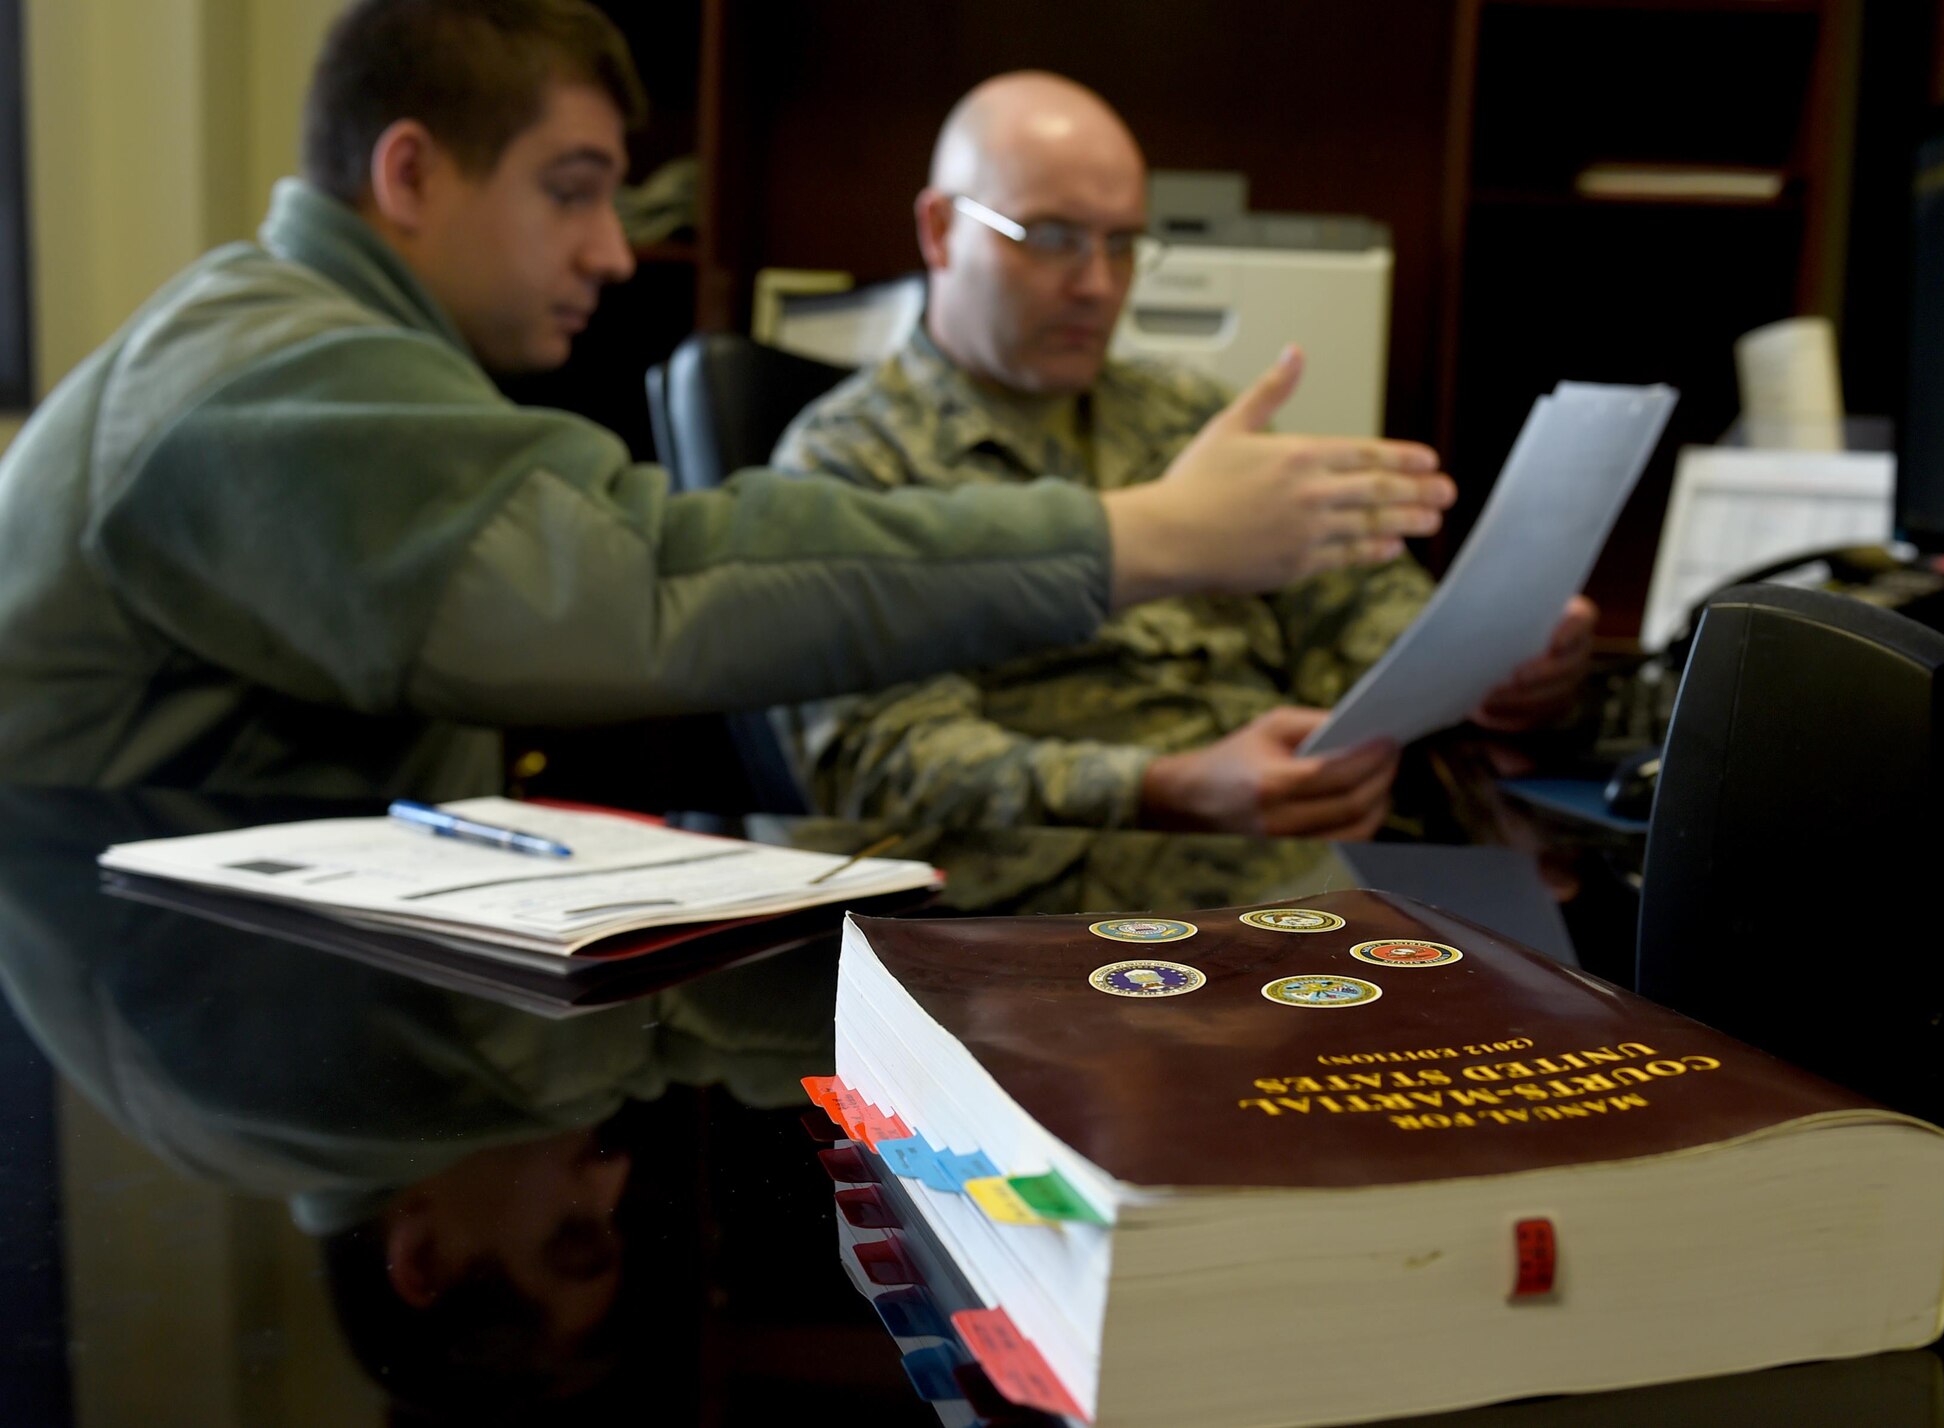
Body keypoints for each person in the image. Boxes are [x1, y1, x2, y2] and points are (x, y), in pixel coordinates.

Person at [0, 1, 1455, 801]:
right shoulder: (278, 378)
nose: (611, 252)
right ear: (409, 174)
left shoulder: (331, 346)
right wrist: (1140, 539)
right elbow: (647, 581)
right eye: (571, 191)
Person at [774, 71, 1594, 839]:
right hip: (1056, 920)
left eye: (1124, 242)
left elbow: (1357, 612)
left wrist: (1497, 671)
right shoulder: (847, 463)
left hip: (1321, 871)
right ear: (941, 230)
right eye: (1052, 236)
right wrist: (1165, 786)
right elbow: (877, 767)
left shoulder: (1192, 414)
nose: (1098, 283)